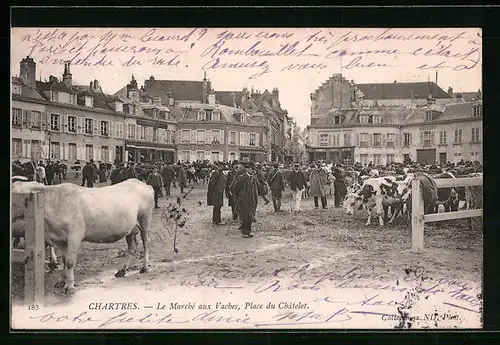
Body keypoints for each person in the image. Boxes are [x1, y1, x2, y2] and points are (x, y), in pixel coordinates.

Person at [232, 161, 258, 238]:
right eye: (251, 169)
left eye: (254, 169)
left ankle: (249, 230)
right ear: (247, 169)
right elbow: (235, 188)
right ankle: (244, 232)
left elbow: (255, 189)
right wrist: (239, 197)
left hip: (252, 199)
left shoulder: (254, 178)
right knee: (245, 216)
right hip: (243, 200)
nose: (253, 171)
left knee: (251, 216)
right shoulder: (241, 178)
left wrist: (255, 198)